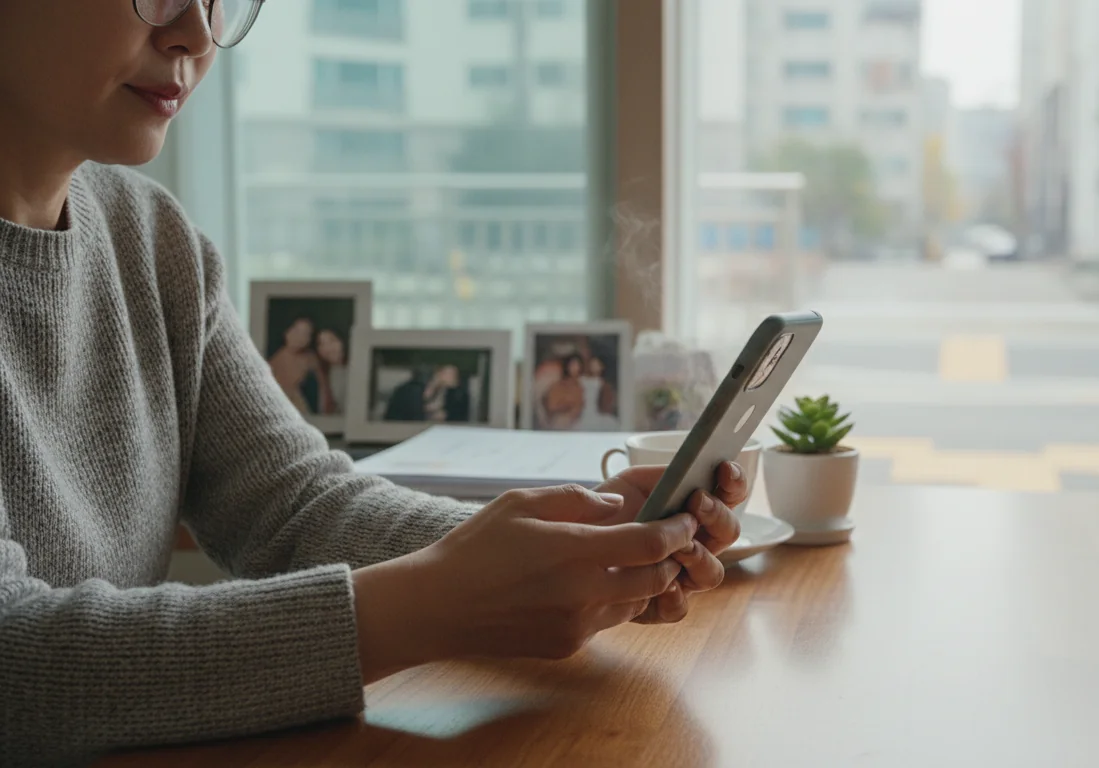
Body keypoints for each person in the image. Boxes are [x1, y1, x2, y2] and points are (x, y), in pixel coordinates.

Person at [0, 3, 744, 764]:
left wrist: (562, 546)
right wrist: (424, 609)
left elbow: (293, 504)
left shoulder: (151, 238)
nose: (194, 32)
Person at [267, 316, 323, 414]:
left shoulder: (310, 357)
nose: (300, 337)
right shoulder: (276, 359)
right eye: (297, 331)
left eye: (306, 334)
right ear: (287, 332)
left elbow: (323, 386)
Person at [575, 355, 622, 431]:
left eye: (597, 365)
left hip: (596, 413)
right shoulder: (582, 380)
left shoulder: (604, 384)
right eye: (592, 364)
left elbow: (608, 402)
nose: (594, 367)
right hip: (582, 414)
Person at [542, 354, 587, 430]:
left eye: (577, 365)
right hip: (563, 421)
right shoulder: (559, 385)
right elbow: (552, 405)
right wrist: (567, 405)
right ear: (567, 366)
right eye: (572, 365)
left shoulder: (583, 384)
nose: (575, 368)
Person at [314, 328, 348, 416]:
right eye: (321, 344)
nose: (328, 348)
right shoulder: (323, 374)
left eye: (332, 341)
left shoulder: (358, 367)